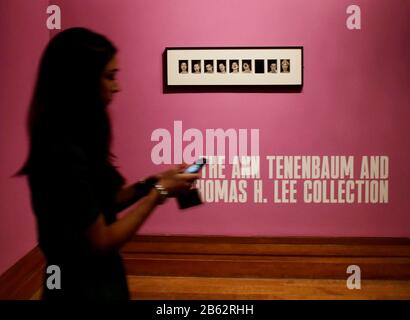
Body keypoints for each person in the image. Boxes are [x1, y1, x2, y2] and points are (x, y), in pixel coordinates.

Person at [15, 28, 199, 300]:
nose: (117, 86)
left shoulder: (77, 136)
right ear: (80, 80)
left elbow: (101, 203)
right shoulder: (61, 150)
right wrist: (158, 193)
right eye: (109, 76)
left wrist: (154, 182)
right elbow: (100, 240)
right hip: (80, 286)